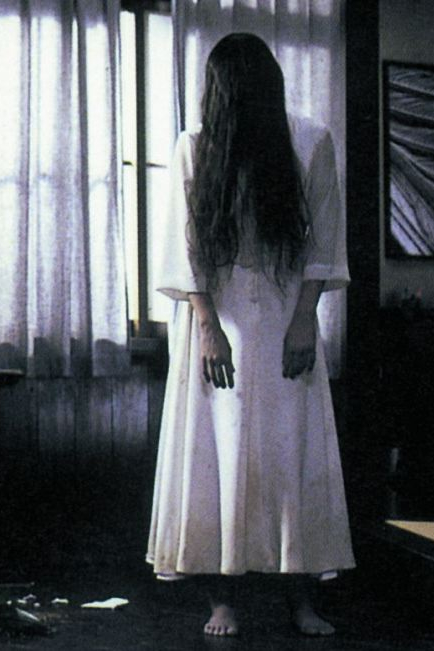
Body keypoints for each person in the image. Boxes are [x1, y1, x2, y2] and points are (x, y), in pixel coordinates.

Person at [146, 33, 355, 638]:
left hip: (286, 310)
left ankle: (301, 599)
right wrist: (207, 327)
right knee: (216, 452)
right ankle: (222, 599)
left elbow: (324, 243)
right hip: (218, 314)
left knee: (293, 452)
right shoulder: (195, 147)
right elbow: (185, 248)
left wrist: (304, 319)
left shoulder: (310, 140)